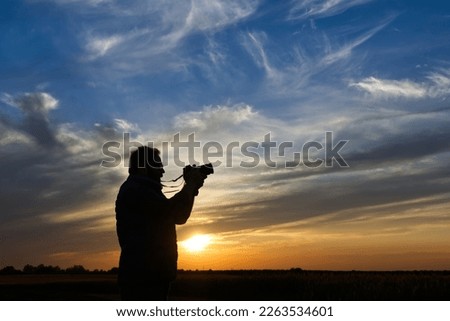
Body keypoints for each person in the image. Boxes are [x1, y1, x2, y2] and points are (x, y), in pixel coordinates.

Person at [115, 146, 207, 300]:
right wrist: (189, 185)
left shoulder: (148, 191)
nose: (163, 171)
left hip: (153, 274)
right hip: (142, 277)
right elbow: (169, 212)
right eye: (158, 166)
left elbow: (180, 217)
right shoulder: (136, 190)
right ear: (144, 168)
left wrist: (191, 189)